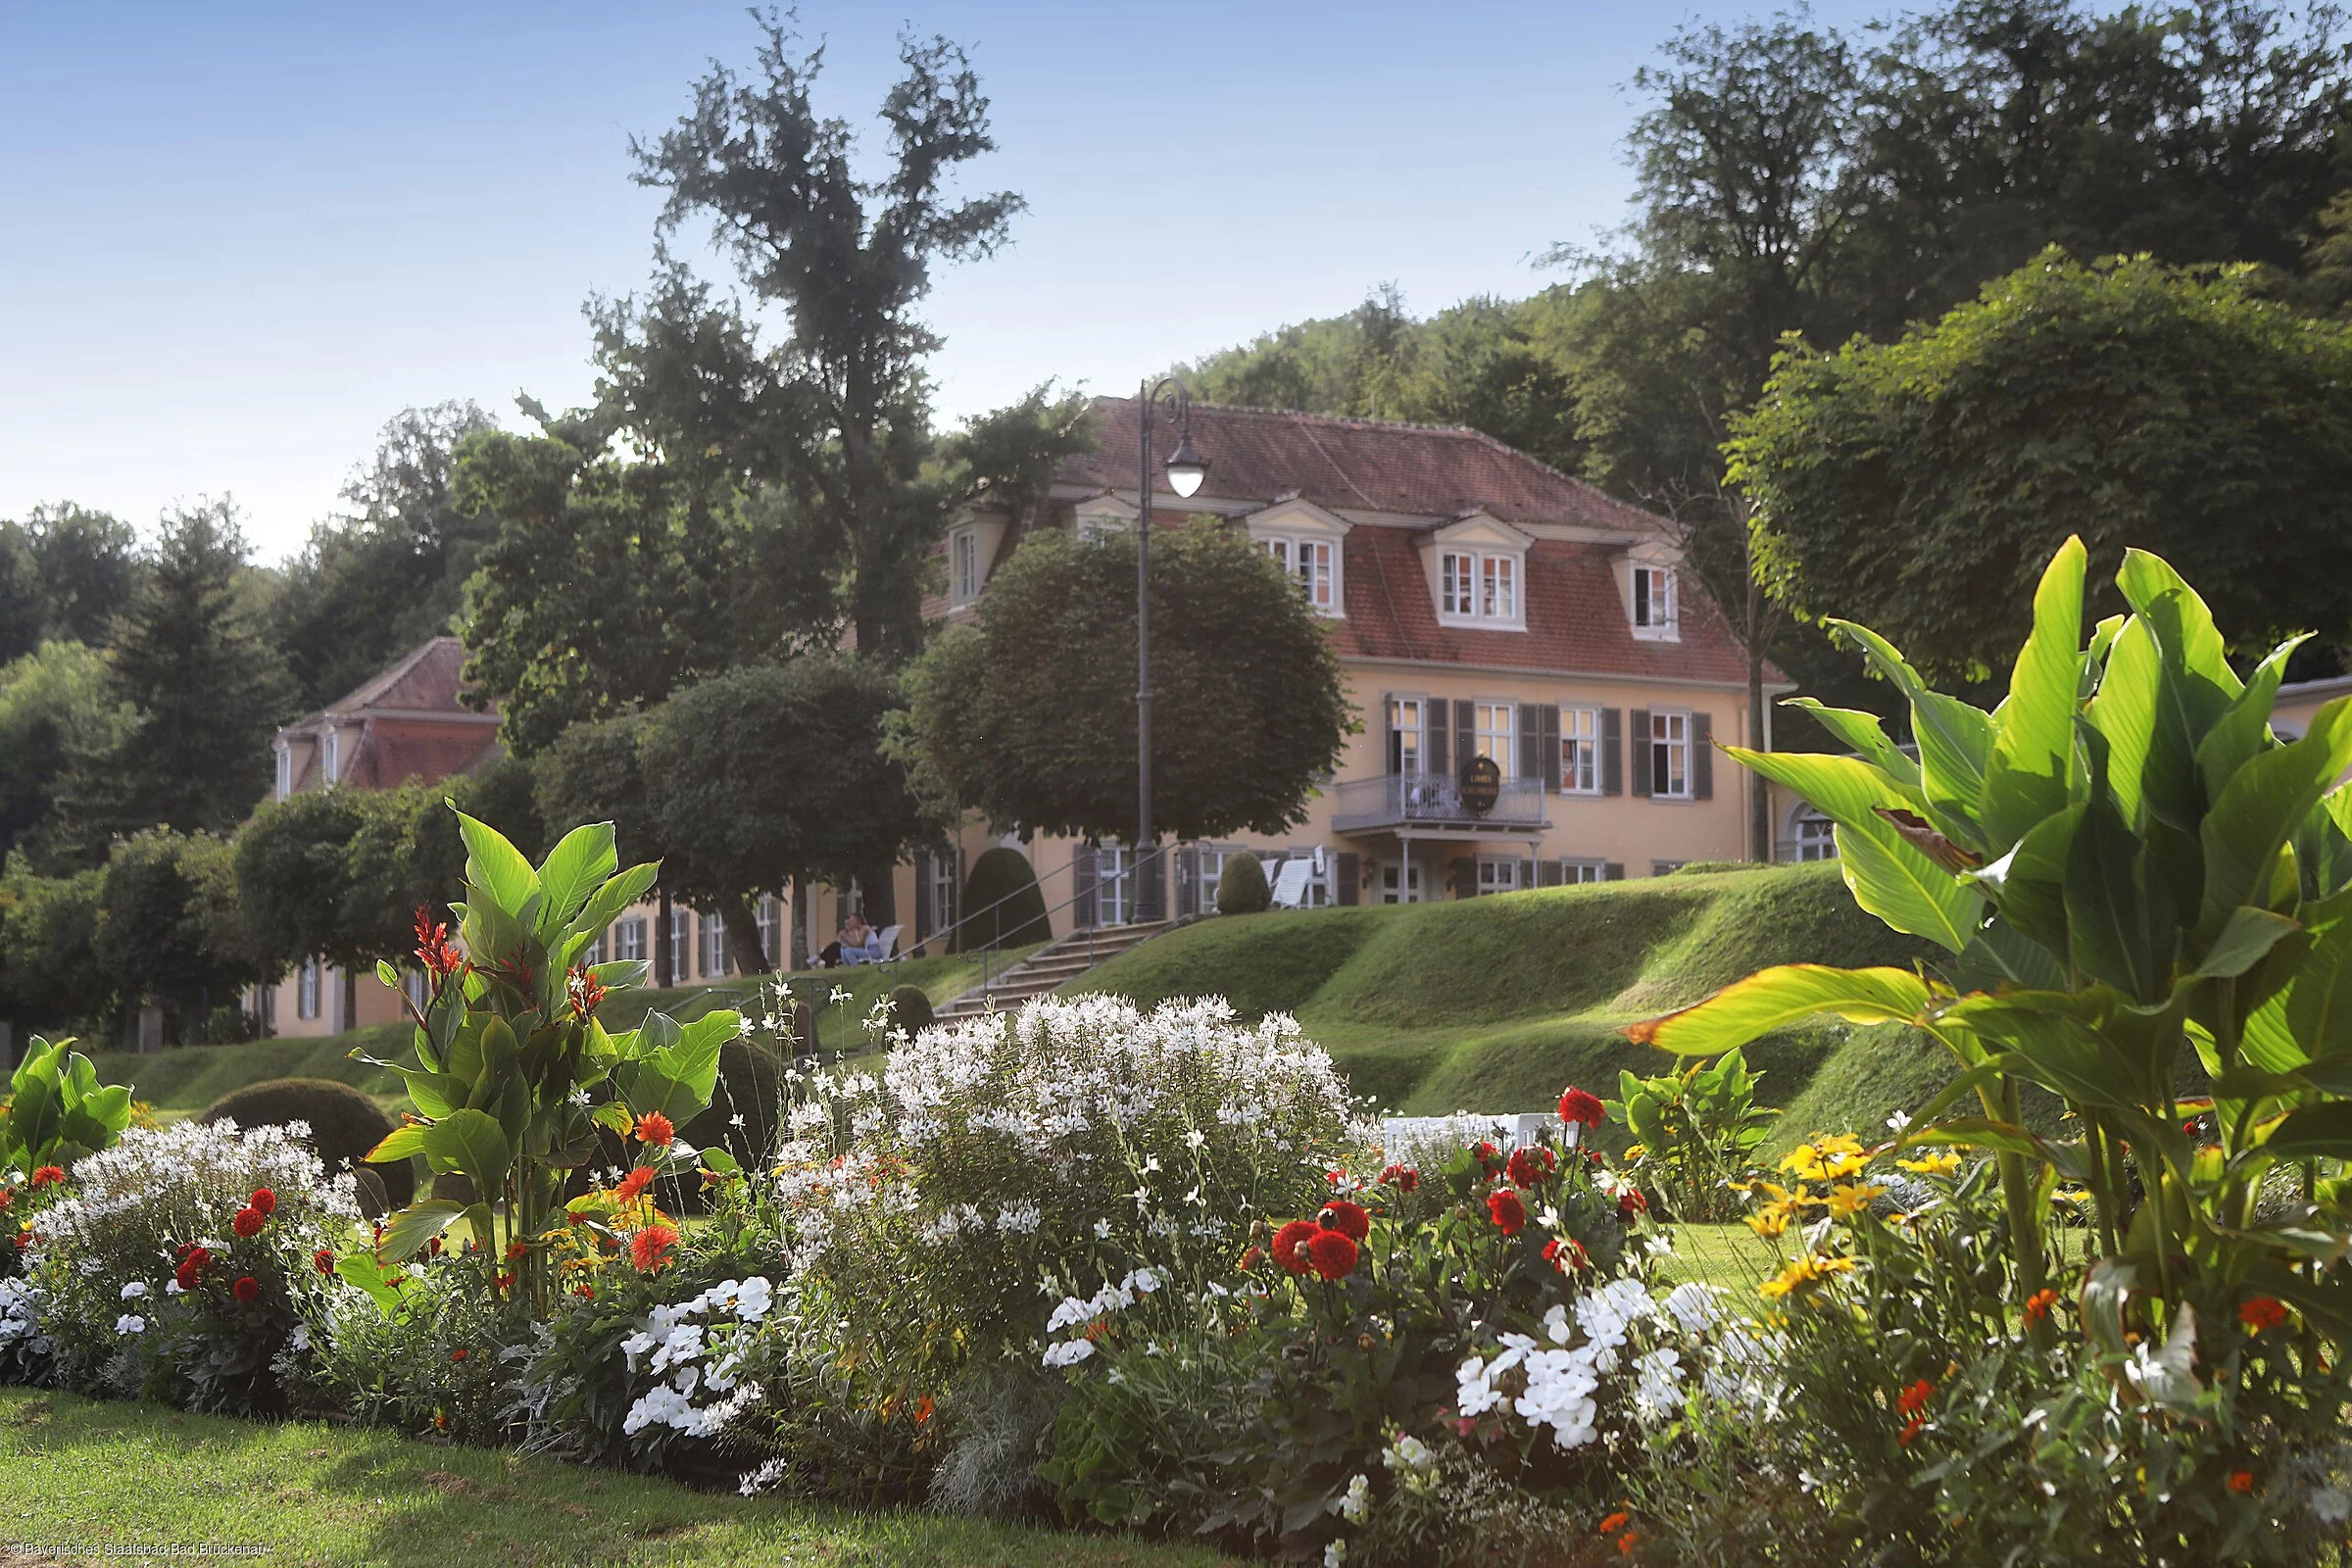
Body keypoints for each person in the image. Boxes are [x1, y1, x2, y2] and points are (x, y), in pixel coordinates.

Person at [818, 911, 887, 968]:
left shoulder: (865, 929)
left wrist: (845, 939)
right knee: (843, 951)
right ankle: (848, 970)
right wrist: (844, 940)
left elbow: (858, 944)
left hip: (874, 952)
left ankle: (855, 968)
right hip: (867, 950)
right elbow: (857, 945)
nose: (851, 923)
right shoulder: (858, 931)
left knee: (848, 951)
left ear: (858, 921)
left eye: (852, 921)